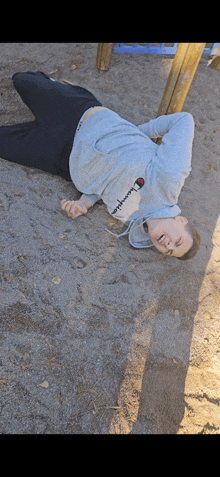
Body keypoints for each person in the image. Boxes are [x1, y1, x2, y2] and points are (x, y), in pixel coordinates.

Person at [0, 71, 200, 260]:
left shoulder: (132, 220)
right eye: (178, 241)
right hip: (79, 118)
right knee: (21, 80)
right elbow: (183, 120)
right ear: (181, 221)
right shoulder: (170, 176)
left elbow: (107, 186)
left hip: (61, 160)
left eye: (169, 252)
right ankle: (70, 90)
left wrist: (83, 203)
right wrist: (138, 132)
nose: (169, 245)